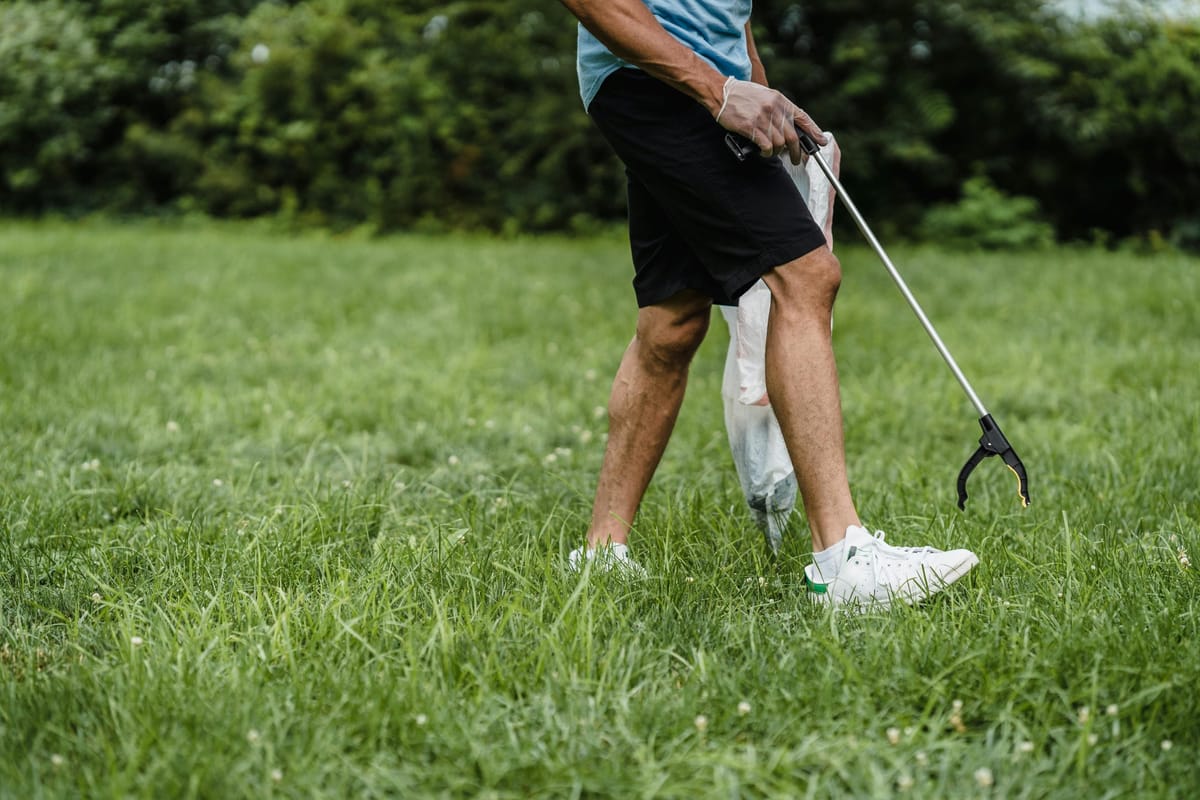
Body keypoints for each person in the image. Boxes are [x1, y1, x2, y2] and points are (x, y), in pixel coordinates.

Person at [559, 0, 979, 607]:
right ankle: (843, 559)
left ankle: (601, 552)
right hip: (658, 79)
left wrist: (758, 90)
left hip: (689, 83)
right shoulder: (690, 83)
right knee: (806, 276)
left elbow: (730, 12)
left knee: (672, 319)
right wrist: (719, 91)